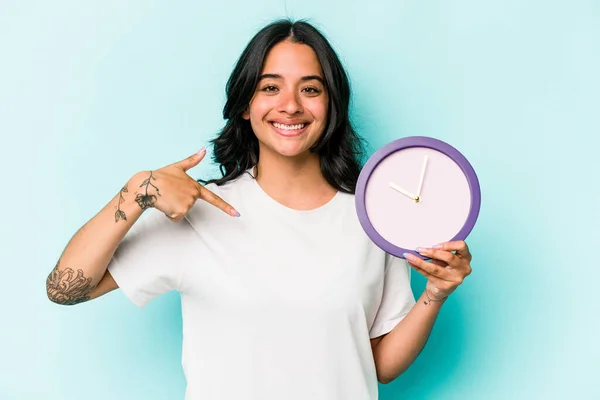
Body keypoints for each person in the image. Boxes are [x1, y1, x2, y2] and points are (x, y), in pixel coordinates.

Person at [46, 19, 473, 400]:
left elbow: (378, 365)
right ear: (245, 105)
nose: (290, 105)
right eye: (270, 87)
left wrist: (435, 293)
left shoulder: (371, 217)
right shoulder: (199, 212)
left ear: (332, 106)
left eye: (310, 88)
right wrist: (136, 191)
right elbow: (66, 288)